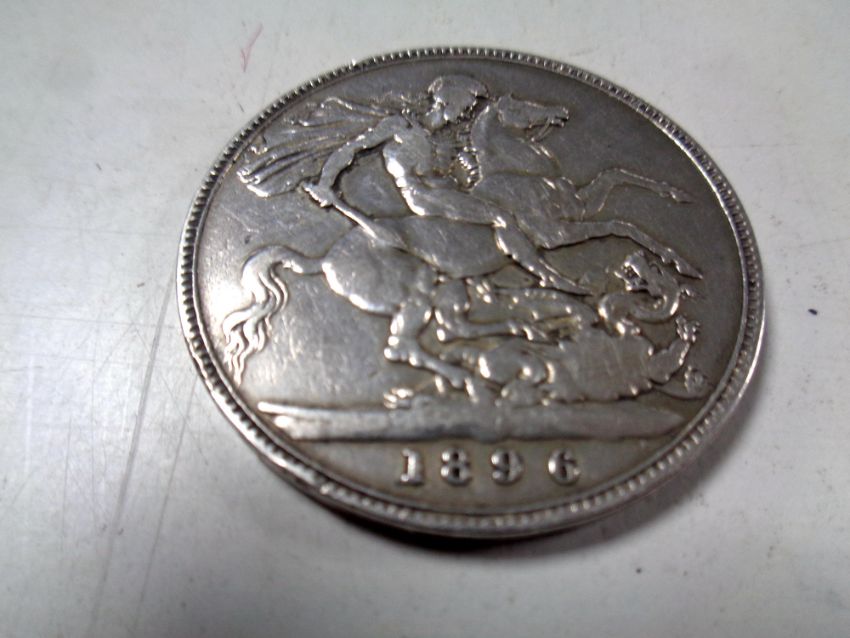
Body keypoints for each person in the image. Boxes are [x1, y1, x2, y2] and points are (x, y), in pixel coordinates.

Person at [302, 74, 587, 295]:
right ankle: (547, 276)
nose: (467, 112)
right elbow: (351, 149)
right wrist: (325, 183)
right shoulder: (400, 127)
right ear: (448, 101)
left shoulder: (445, 137)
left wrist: (467, 168)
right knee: (502, 217)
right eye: (465, 105)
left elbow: (457, 170)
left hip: (447, 190)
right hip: (424, 195)